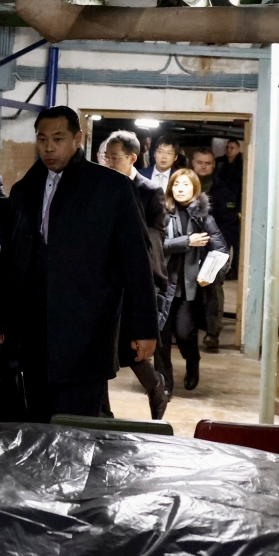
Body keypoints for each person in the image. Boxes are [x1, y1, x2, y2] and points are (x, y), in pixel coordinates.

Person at [0, 106, 157, 422]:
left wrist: (144, 328)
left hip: (88, 330)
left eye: (58, 138)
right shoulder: (25, 190)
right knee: (39, 424)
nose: (49, 147)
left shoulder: (110, 188)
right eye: (42, 139)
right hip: (35, 331)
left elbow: (136, 261)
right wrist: (3, 318)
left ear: (78, 139)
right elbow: (12, 258)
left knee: (77, 427)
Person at [102, 131, 169, 419]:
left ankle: (155, 385)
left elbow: (156, 237)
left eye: (115, 158)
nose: (110, 163)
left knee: (130, 346)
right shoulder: (101, 185)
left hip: (134, 278)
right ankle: (102, 412)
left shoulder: (149, 190)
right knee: (102, 343)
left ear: (132, 158)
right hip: (105, 276)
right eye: (107, 157)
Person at [154, 169, 229, 396]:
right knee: (161, 336)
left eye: (186, 185)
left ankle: (192, 362)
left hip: (190, 288)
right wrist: (187, 241)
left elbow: (221, 250)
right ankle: (164, 384)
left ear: (195, 189)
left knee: (185, 333)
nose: (180, 189)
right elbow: (157, 246)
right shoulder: (161, 213)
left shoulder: (204, 218)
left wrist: (211, 274)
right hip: (163, 284)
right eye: (176, 184)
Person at [192, 147, 238, 353]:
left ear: (213, 165)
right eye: (200, 162)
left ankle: (212, 334)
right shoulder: (183, 185)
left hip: (212, 253)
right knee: (184, 291)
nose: (203, 166)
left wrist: (221, 251)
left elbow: (229, 226)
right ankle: (185, 331)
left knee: (213, 292)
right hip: (187, 249)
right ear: (193, 163)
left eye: (208, 163)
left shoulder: (222, 190)